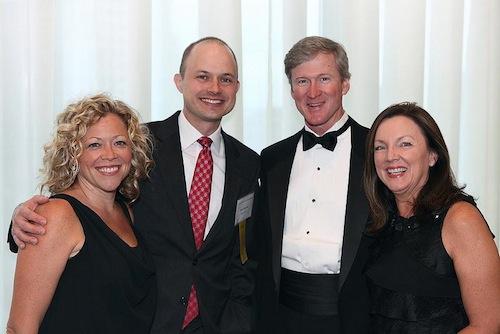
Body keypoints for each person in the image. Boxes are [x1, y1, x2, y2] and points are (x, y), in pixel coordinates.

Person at [8, 37, 260, 334]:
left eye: (226, 79)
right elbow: (79, 205)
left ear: (237, 87)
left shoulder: (249, 163)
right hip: (146, 323)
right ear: (179, 82)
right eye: (202, 76)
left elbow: (242, 254)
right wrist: (21, 220)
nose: (215, 88)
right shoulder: (137, 145)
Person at [6, 94, 157, 333]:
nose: (110, 154)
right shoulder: (55, 215)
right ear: (73, 154)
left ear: (133, 150)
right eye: (94, 145)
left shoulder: (127, 210)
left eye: (119, 142)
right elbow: (20, 327)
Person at [256, 36, 370, 334]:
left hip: (354, 314)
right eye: (302, 81)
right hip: (281, 315)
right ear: (292, 89)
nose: (313, 92)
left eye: (324, 78)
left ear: (345, 84)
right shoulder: (271, 158)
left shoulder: (376, 151)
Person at [363, 102, 500, 333]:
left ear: (432, 156)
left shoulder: (460, 218)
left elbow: (488, 324)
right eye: (380, 147)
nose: (391, 156)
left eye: (405, 144)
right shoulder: (379, 219)